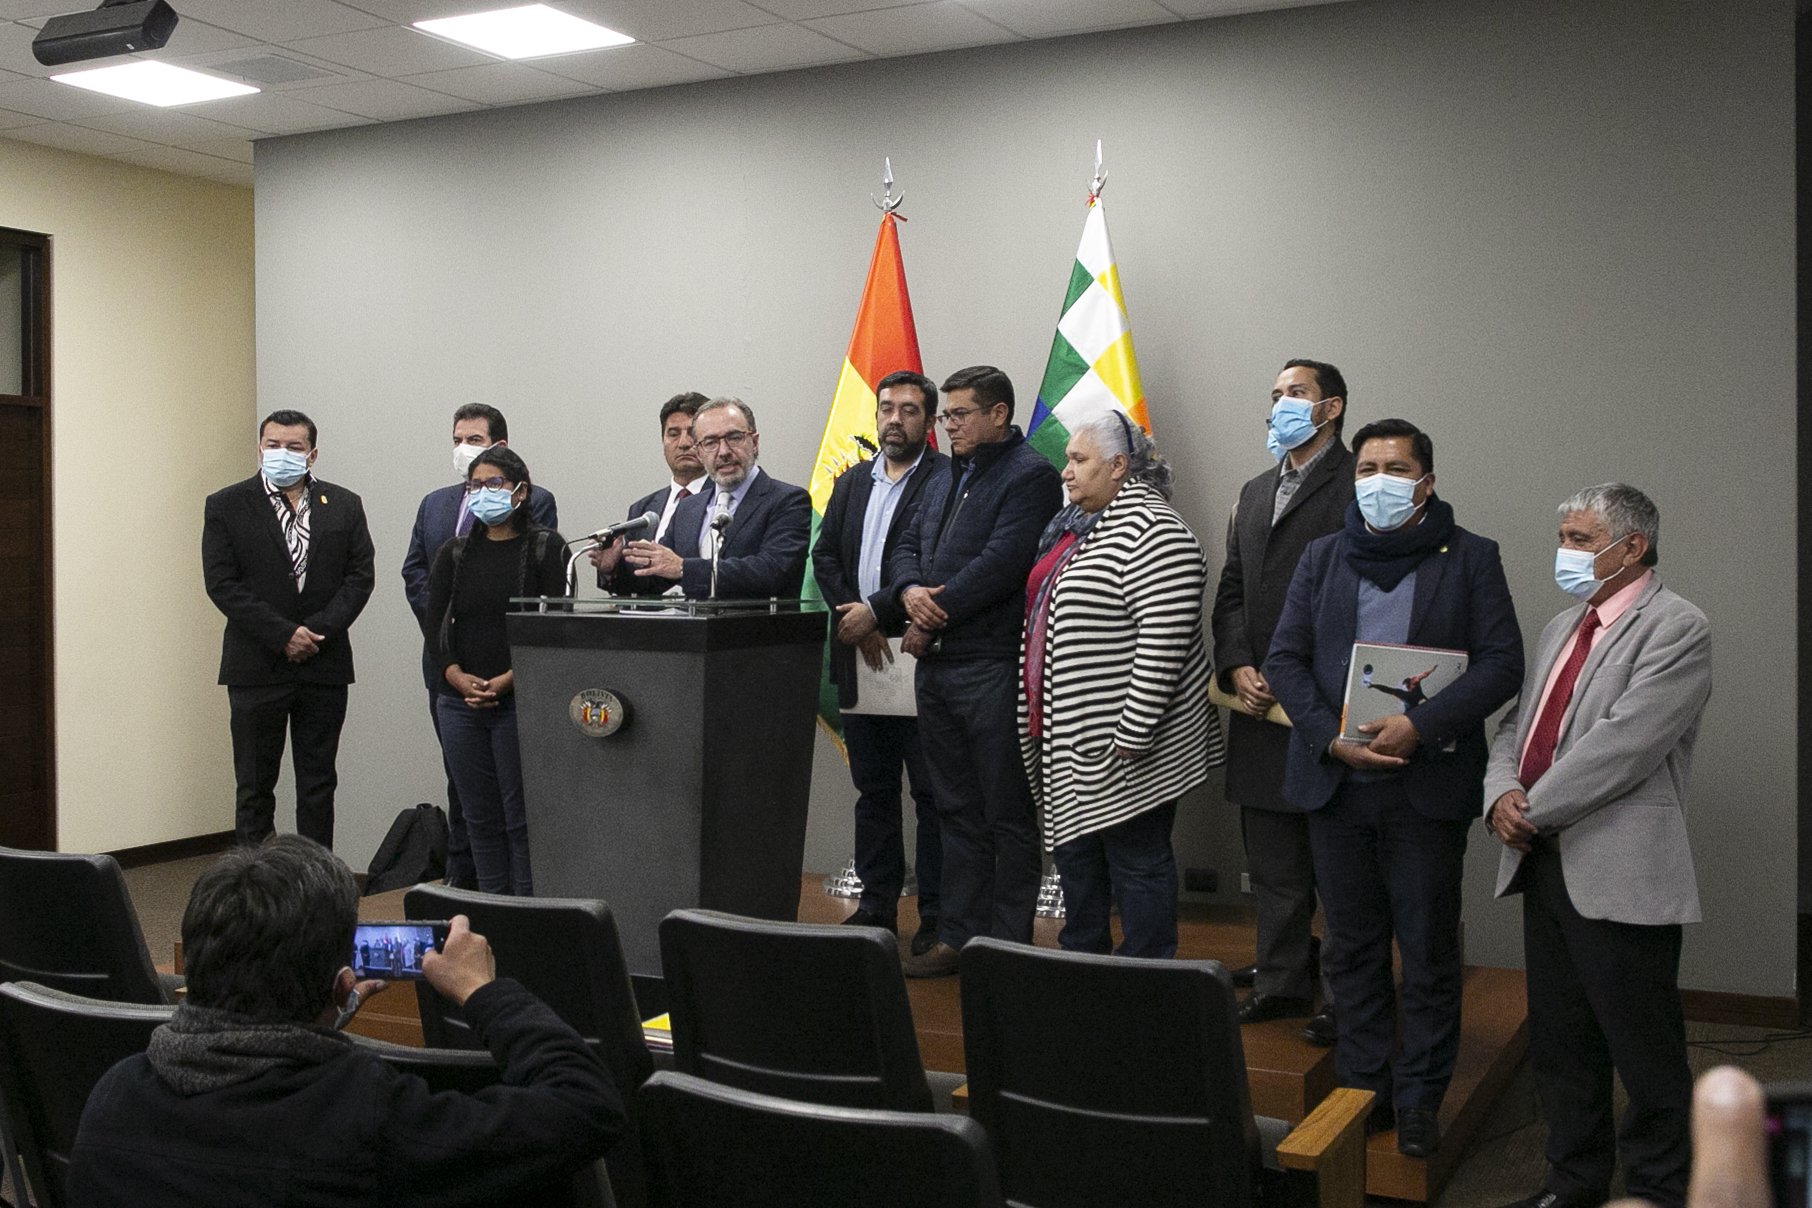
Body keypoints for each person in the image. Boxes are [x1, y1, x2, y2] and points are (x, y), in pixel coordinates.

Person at [67, 835, 625, 1206]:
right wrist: (483, 990)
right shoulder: (369, 1116)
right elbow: (585, 1104)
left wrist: (319, 1028)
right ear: (341, 986)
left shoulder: (111, 1096)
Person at [1263, 418, 1523, 1158]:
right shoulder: (1321, 557)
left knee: (1429, 951)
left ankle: (1418, 1099)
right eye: (1369, 466)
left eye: (1397, 467)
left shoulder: (1471, 557)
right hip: (1337, 786)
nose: (1379, 479)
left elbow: (1502, 664)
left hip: (1424, 786)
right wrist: (1327, 736)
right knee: (1349, 950)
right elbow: (1284, 659)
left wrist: (1423, 723)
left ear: (1427, 481)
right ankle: (1364, 1090)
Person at [1485, 484, 1711, 1208]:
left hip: (1617, 868)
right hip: (1541, 860)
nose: (1566, 552)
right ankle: (1574, 1184)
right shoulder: (1561, 626)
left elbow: (1626, 746)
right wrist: (1499, 796)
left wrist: (1532, 807)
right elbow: (1516, 728)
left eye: (1581, 539)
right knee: (1562, 1042)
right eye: (1565, 536)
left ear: (1632, 546)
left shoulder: (1677, 626)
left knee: (1644, 1053)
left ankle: (1657, 1190)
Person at [1021, 412, 1222, 959]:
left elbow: (1164, 643)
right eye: (1067, 459)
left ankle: (1147, 977)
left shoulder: (1155, 530)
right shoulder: (1082, 527)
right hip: (1073, 736)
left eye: (1079, 459)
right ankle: (1084, 964)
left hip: (1127, 742)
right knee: (1078, 859)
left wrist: (1132, 734)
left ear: (1118, 466)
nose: (1065, 472)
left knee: (1137, 860)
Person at [887, 365, 1063, 977]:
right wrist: (908, 590)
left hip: (992, 665)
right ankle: (960, 937)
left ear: (999, 414)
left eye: (959, 415)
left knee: (1005, 813)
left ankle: (1009, 944)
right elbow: (907, 541)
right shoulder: (942, 472)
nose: (948, 425)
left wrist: (931, 614)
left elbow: (1005, 561)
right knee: (953, 808)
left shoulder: (1032, 475)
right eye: (946, 416)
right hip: (937, 668)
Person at [1212, 357, 1355, 1044]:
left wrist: (1299, 676)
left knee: (1340, 866)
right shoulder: (1254, 487)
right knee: (1272, 861)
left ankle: (1348, 994)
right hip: (1259, 706)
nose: (1279, 405)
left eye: (1295, 394)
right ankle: (1281, 979)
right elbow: (1233, 589)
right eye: (1274, 395)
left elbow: (1365, 601)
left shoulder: (1361, 483)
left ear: (1330, 409)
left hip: (1326, 706)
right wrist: (1238, 661)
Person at [811, 370, 948, 955]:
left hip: (922, 653)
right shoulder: (850, 485)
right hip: (859, 653)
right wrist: (853, 614)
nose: (895, 419)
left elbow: (936, 562)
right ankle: (877, 907)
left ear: (929, 419)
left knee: (933, 795)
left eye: (910, 410)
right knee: (873, 792)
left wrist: (878, 614)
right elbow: (826, 554)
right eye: (886, 408)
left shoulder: (947, 481)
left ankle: (939, 915)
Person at [402, 403, 558, 889]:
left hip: (517, 698)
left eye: (493, 485)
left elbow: (552, 627)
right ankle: (488, 908)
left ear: (520, 491)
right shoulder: (453, 551)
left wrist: (509, 679)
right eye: (476, 487)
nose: (483, 494)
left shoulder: (546, 547)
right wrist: (453, 675)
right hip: (458, 699)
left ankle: (528, 916)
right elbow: (435, 622)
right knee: (477, 815)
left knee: (520, 818)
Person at [203, 410, 376, 850]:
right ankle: (256, 895)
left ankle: (316, 888)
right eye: (272, 445)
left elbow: (359, 578)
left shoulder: (344, 503)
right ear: (259, 448)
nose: (282, 454)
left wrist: (313, 633)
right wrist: (283, 634)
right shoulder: (226, 504)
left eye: (293, 447)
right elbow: (222, 583)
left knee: (318, 786)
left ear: (312, 454)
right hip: (256, 666)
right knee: (255, 787)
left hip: (323, 664)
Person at [599, 397, 811, 600]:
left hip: (759, 633)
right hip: (696, 634)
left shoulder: (788, 500)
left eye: (734, 437)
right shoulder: (688, 508)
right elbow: (656, 576)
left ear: (754, 442)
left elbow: (772, 571)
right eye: (710, 442)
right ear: (699, 453)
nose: (724, 451)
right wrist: (613, 569)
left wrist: (683, 567)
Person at [590, 391, 709, 589]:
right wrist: (612, 569)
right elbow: (643, 586)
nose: (684, 443)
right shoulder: (642, 510)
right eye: (673, 434)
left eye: (692, 433)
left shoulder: (726, 499)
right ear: (663, 441)